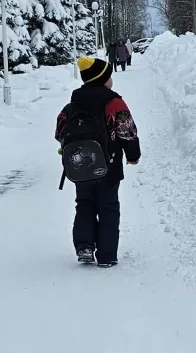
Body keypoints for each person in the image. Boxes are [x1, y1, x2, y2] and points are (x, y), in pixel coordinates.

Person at [55, 57, 141, 267]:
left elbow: (59, 132)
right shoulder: (114, 102)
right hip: (109, 165)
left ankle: (84, 246)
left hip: (80, 166)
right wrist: (132, 155)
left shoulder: (72, 104)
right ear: (101, 79)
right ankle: (107, 255)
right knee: (108, 206)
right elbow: (127, 131)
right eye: (108, 76)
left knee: (84, 204)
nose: (112, 79)